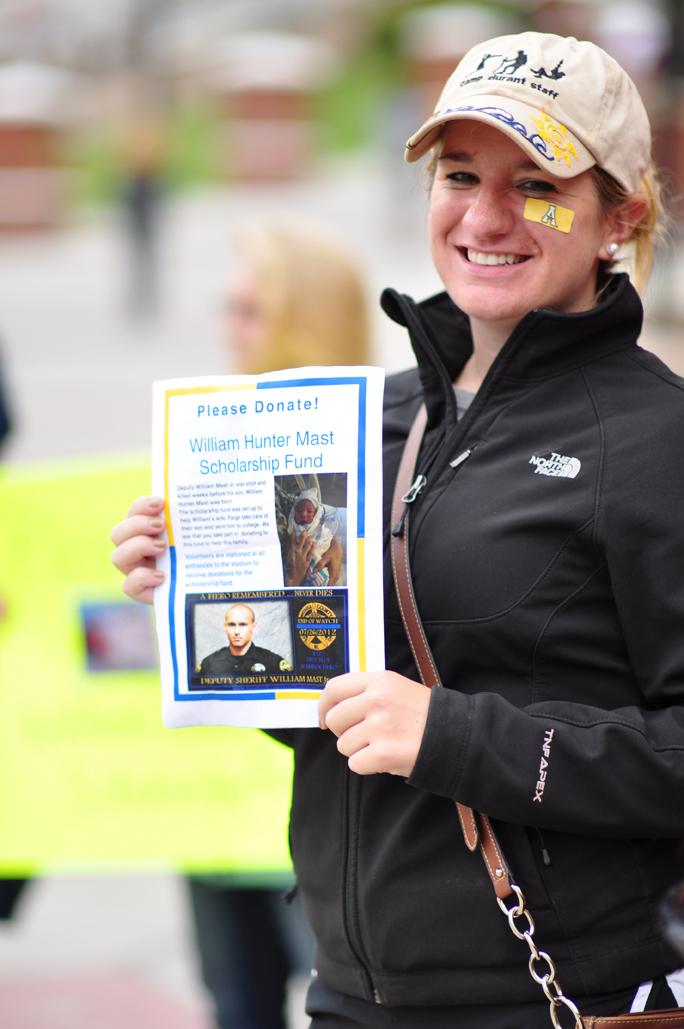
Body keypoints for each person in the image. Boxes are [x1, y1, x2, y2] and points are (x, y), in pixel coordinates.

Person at [111, 31, 684, 1021]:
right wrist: (201, 599)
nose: (487, 215)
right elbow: (325, 713)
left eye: (536, 181)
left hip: (555, 996)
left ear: (616, 217)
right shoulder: (373, 417)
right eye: (461, 175)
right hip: (348, 995)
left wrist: (455, 736)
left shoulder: (656, 439)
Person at [112, 224, 372, 1029]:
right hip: (211, 802)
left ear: (311, 318)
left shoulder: (386, 455)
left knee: (334, 989)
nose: (230, 329)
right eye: (230, 309)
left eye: (251, 311)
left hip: (317, 805)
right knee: (238, 998)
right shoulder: (200, 451)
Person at [198, 603, 291, 678]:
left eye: (243, 625)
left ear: (253, 627)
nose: (237, 631)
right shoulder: (209, 664)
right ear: (225, 627)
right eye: (231, 625)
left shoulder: (273, 663)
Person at [285, 488, 341, 588]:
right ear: (293, 513)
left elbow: (326, 536)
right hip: (296, 565)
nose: (303, 514)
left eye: (309, 511)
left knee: (319, 572)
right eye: (299, 511)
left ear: (316, 514)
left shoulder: (317, 525)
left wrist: (333, 544)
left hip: (317, 556)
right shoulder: (292, 526)